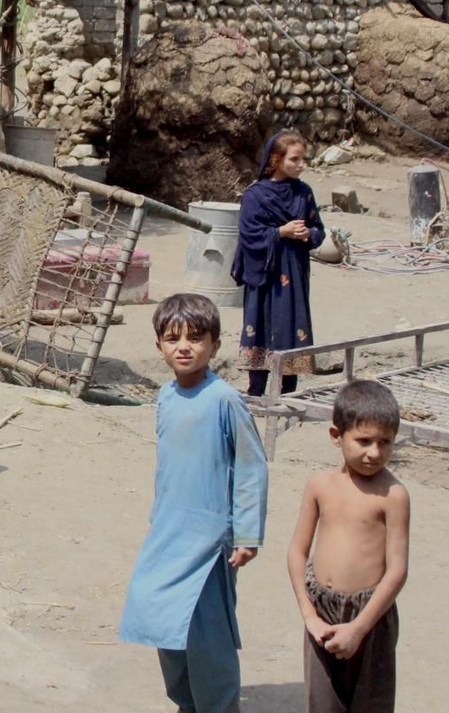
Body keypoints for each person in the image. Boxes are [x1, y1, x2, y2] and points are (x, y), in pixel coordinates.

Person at [120, 293, 269, 713]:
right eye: (173, 338)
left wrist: (247, 533)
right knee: (163, 625)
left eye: (196, 338)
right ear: (159, 347)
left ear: (215, 345)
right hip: (168, 533)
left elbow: (250, 467)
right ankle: (187, 703)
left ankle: (218, 706)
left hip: (209, 540)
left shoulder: (224, 400)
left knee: (208, 636)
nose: (184, 346)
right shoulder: (165, 396)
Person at [286, 379, 409, 713]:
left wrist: (359, 628)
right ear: (336, 436)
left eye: (386, 442)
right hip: (321, 610)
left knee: (370, 703)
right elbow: (297, 552)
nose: (375, 452)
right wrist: (309, 614)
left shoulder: (393, 495)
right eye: (364, 440)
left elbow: (397, 571)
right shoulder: (320, 486)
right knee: (322, 702)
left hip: (370, 614)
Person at [232, 130, 327, 398]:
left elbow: (319, 229)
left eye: (303, 159)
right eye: (294, 159)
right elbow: (249, 234)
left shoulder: (304, 193)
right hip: (265, 273)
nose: (301, 165)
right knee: (260, 325)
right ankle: (256, 391)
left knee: (291, 323)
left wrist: (308, 234)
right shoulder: (255, 195)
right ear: (276, 159)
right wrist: (280, 232)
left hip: (294, 271)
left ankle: (287, 393)